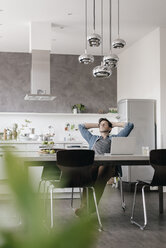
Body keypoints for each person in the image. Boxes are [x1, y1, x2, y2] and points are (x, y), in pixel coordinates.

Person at [75, 118, 134, 217]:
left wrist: (113, 124)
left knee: (100, 179)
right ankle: (84, 207)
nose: (102, 125)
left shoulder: (116, 138)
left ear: (110, 128)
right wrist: (98, 124)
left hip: (109, 166)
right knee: (87, 179)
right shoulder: (92, 138)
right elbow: (81, 126)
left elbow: (129, 125)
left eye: (105, 124)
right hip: (94, 165)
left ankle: (91, 208)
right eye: (100, 124)